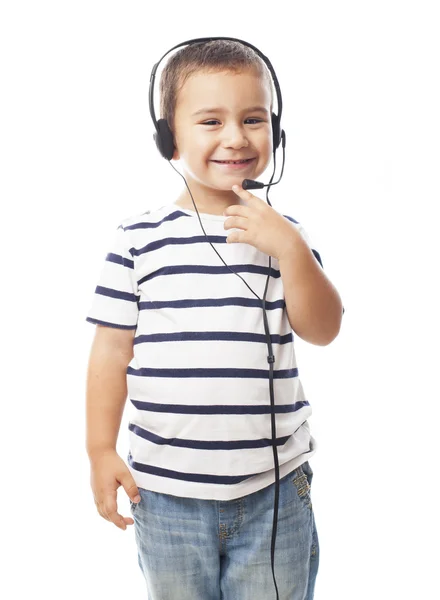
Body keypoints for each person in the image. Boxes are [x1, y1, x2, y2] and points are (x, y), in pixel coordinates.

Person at [85, 39, 344, 600]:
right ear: (168, 138)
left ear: (276, 133)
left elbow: (323, 328)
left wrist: (293, 252)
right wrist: (100, 450)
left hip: (274, 494)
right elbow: (110, 351)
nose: (236, 137)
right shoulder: (137, 240)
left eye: (254, 119)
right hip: (166, 495)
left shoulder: (287, 234)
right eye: (211, 120)